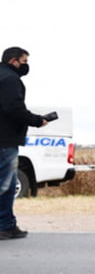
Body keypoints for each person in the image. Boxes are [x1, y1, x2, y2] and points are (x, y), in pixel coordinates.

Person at [0, 47, 47, 240]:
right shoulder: (10, 80)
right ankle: (5, 225)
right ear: (14, 61)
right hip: (5, 139)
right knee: (5, 184)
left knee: (8, 183)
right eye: (24, 61)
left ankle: (7, 224)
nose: (26, 66)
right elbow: (13, 108)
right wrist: (37, 120)